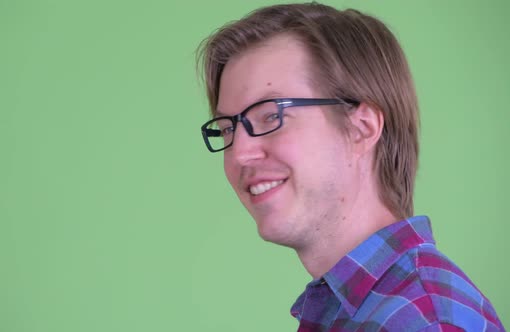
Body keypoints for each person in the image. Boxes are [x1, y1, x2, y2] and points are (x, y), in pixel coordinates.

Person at [196, 2, 504, 331]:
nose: (240, 153)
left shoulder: (423, 322)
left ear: (362, 128)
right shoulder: (354, 311)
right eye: (228, 128)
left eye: (272, 116)